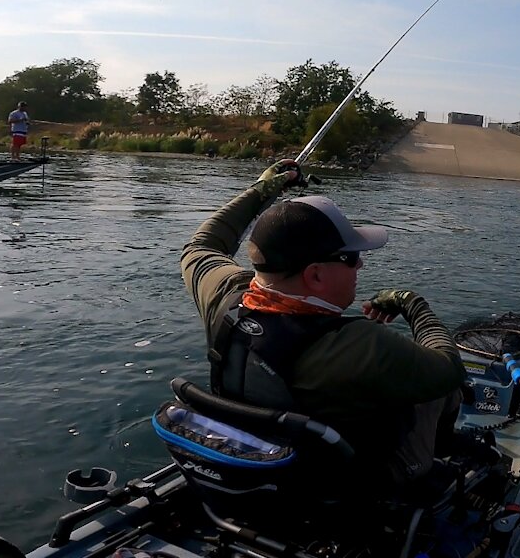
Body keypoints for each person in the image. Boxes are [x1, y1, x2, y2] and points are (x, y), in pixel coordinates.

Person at [181, 159, 467, 491]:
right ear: (315, 274)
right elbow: (449, 370)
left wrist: (261, 190)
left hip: (258, 465)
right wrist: (412, 304)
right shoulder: (362, 344)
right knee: (432, 391)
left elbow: (202, 246)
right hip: (333, 486)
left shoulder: (222, 297)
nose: (360, 263)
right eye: (349, 257)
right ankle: (429, 466)